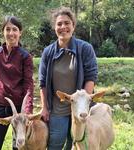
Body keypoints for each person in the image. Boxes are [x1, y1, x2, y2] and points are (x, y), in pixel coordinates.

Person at [39, 7, 98, 150]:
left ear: (73, 26)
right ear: (54, 27)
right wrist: (44, 108)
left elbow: (91, 77)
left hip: (80, 109)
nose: (63, 27)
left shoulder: (85, 48)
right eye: (59, 24)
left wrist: (83, 104)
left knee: (77, 143)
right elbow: (42, 82)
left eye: (67, 23)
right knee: (55, 143)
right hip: (57, 108)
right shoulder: (48, 52)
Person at [0, 15, 34, 150]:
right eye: (8, 29)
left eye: (15, 29)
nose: (11, 33)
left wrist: (28, 110)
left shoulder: (25, 57)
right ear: (3, 32)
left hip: (18, 109)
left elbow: (28, 84)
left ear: (20, 33)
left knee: (18, 146)